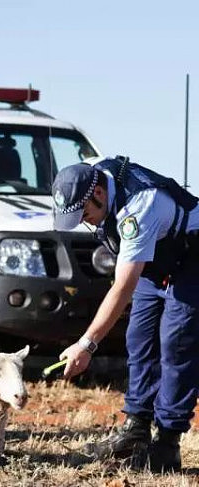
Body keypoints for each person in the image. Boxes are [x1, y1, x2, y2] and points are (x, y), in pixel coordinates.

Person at [51, 155, 199, 472]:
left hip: (192, 256)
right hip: (158, 256)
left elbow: (122, 287)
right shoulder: (93, 172)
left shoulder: (139, 208)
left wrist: (86, 345)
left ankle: (167, 444)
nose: (85, 222)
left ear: (100, 195)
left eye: (86, 214)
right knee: (139, 338)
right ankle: (136, 431)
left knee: (177, 343)